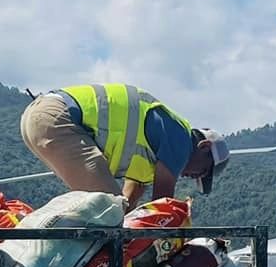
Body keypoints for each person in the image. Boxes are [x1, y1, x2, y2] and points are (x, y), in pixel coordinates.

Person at [18, 83, 230, 207]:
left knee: (110, 210)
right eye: (202, 171)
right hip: (58, 117)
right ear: (203, 147)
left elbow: (128, 204)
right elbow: (161, 206)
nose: (194, 177)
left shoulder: (152, 162)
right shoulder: (180, 139)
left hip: (40, 119)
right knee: (108, 209)